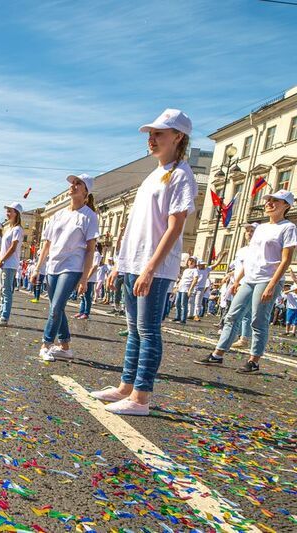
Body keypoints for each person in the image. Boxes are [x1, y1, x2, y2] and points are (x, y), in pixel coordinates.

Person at [90, 109, 197, 416]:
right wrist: (119, 265)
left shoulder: (181, 175)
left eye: (159, 133)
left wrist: (150, 268)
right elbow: (135, 225)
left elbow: (175, 226)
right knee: (134, 330)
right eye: (151, 134)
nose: (151, 139)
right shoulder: (153, 174)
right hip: (133, 263)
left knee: (148, 331)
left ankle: (141, 398)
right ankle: (126, 387)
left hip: (155, 266)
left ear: (178, 137)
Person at [195, 190, 297, 373]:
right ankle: (217, 355)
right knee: (232, 315)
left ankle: (254, 361)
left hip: (268, 279)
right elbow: (252, 257)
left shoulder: (288, 227)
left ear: (286, 205)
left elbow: (286, 260)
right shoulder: (262, 228)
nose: (269, 203)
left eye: (276, 201)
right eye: (268, 200)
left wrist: (272, 285)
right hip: (250, 278)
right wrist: (238, 280)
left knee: (258, 320)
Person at [33, 174, 98, 360]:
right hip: (53, 265)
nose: (73, 186)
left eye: (78, 184)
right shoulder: (58, 215)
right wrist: (37, 269)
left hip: (72, 267)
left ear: (86, 191)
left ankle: (46, 344)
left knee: (56, 307)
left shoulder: (89, 216)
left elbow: (90, 250)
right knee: (57, 307)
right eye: (73, 183)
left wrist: (84, 278)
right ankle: (66, 347)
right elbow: (46, 244)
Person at [0, 203, 24, 326]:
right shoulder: (9, 229)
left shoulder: (17, 229)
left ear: (16, 213)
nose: (7, 213)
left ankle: (4, 317)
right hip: (4, 263)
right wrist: (0, 258)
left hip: (9, 264)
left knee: (6, 291)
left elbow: (13, 247)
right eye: (7, 211)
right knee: (2, 290)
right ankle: (1, 314)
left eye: (10, 211)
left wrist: (2, 259)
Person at [75, 241, 102, 319]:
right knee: (83, 296)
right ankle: (81, 311)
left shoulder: (96, 254)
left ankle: (86, 313)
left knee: (87, 296)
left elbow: (95, 266)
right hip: (85, 277)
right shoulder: (91, 253)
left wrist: (86, 277)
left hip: (90, 278)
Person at [173, 257, 198, 324]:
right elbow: (182, 279)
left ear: (195, 263)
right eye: (189, 261)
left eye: (192, 261)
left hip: (186, 288)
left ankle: (183, 319)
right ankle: (177, 316)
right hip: (181, 288)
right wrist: (177, 287)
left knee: (183, 304)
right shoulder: (186, 270)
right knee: (177, 303)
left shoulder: (195, 270)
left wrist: (190, 289)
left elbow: (195, 279)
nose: (190, 262)